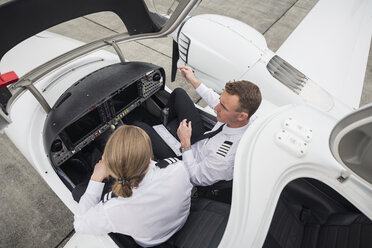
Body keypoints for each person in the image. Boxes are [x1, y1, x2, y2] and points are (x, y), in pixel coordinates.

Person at [137, 66, 262, 186]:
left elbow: (194, 178)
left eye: (223, 107)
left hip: (186, 161)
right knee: (179, 93)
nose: (216, 107)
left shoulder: (223, 158)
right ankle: (162, 126)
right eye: (220, 101)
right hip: (201, 141)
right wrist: (193, 80)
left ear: (242, 116)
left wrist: (185, 143)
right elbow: (215, 100)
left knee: (139, 127)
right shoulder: (245, 118)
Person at [73, 125, 193, 247]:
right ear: (150, 158)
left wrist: (96, 178)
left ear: (113, 170)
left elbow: (80, 224)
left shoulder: (113, 208)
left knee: (79, 191)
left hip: (152, 242)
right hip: (179, 222)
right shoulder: (178, 168)